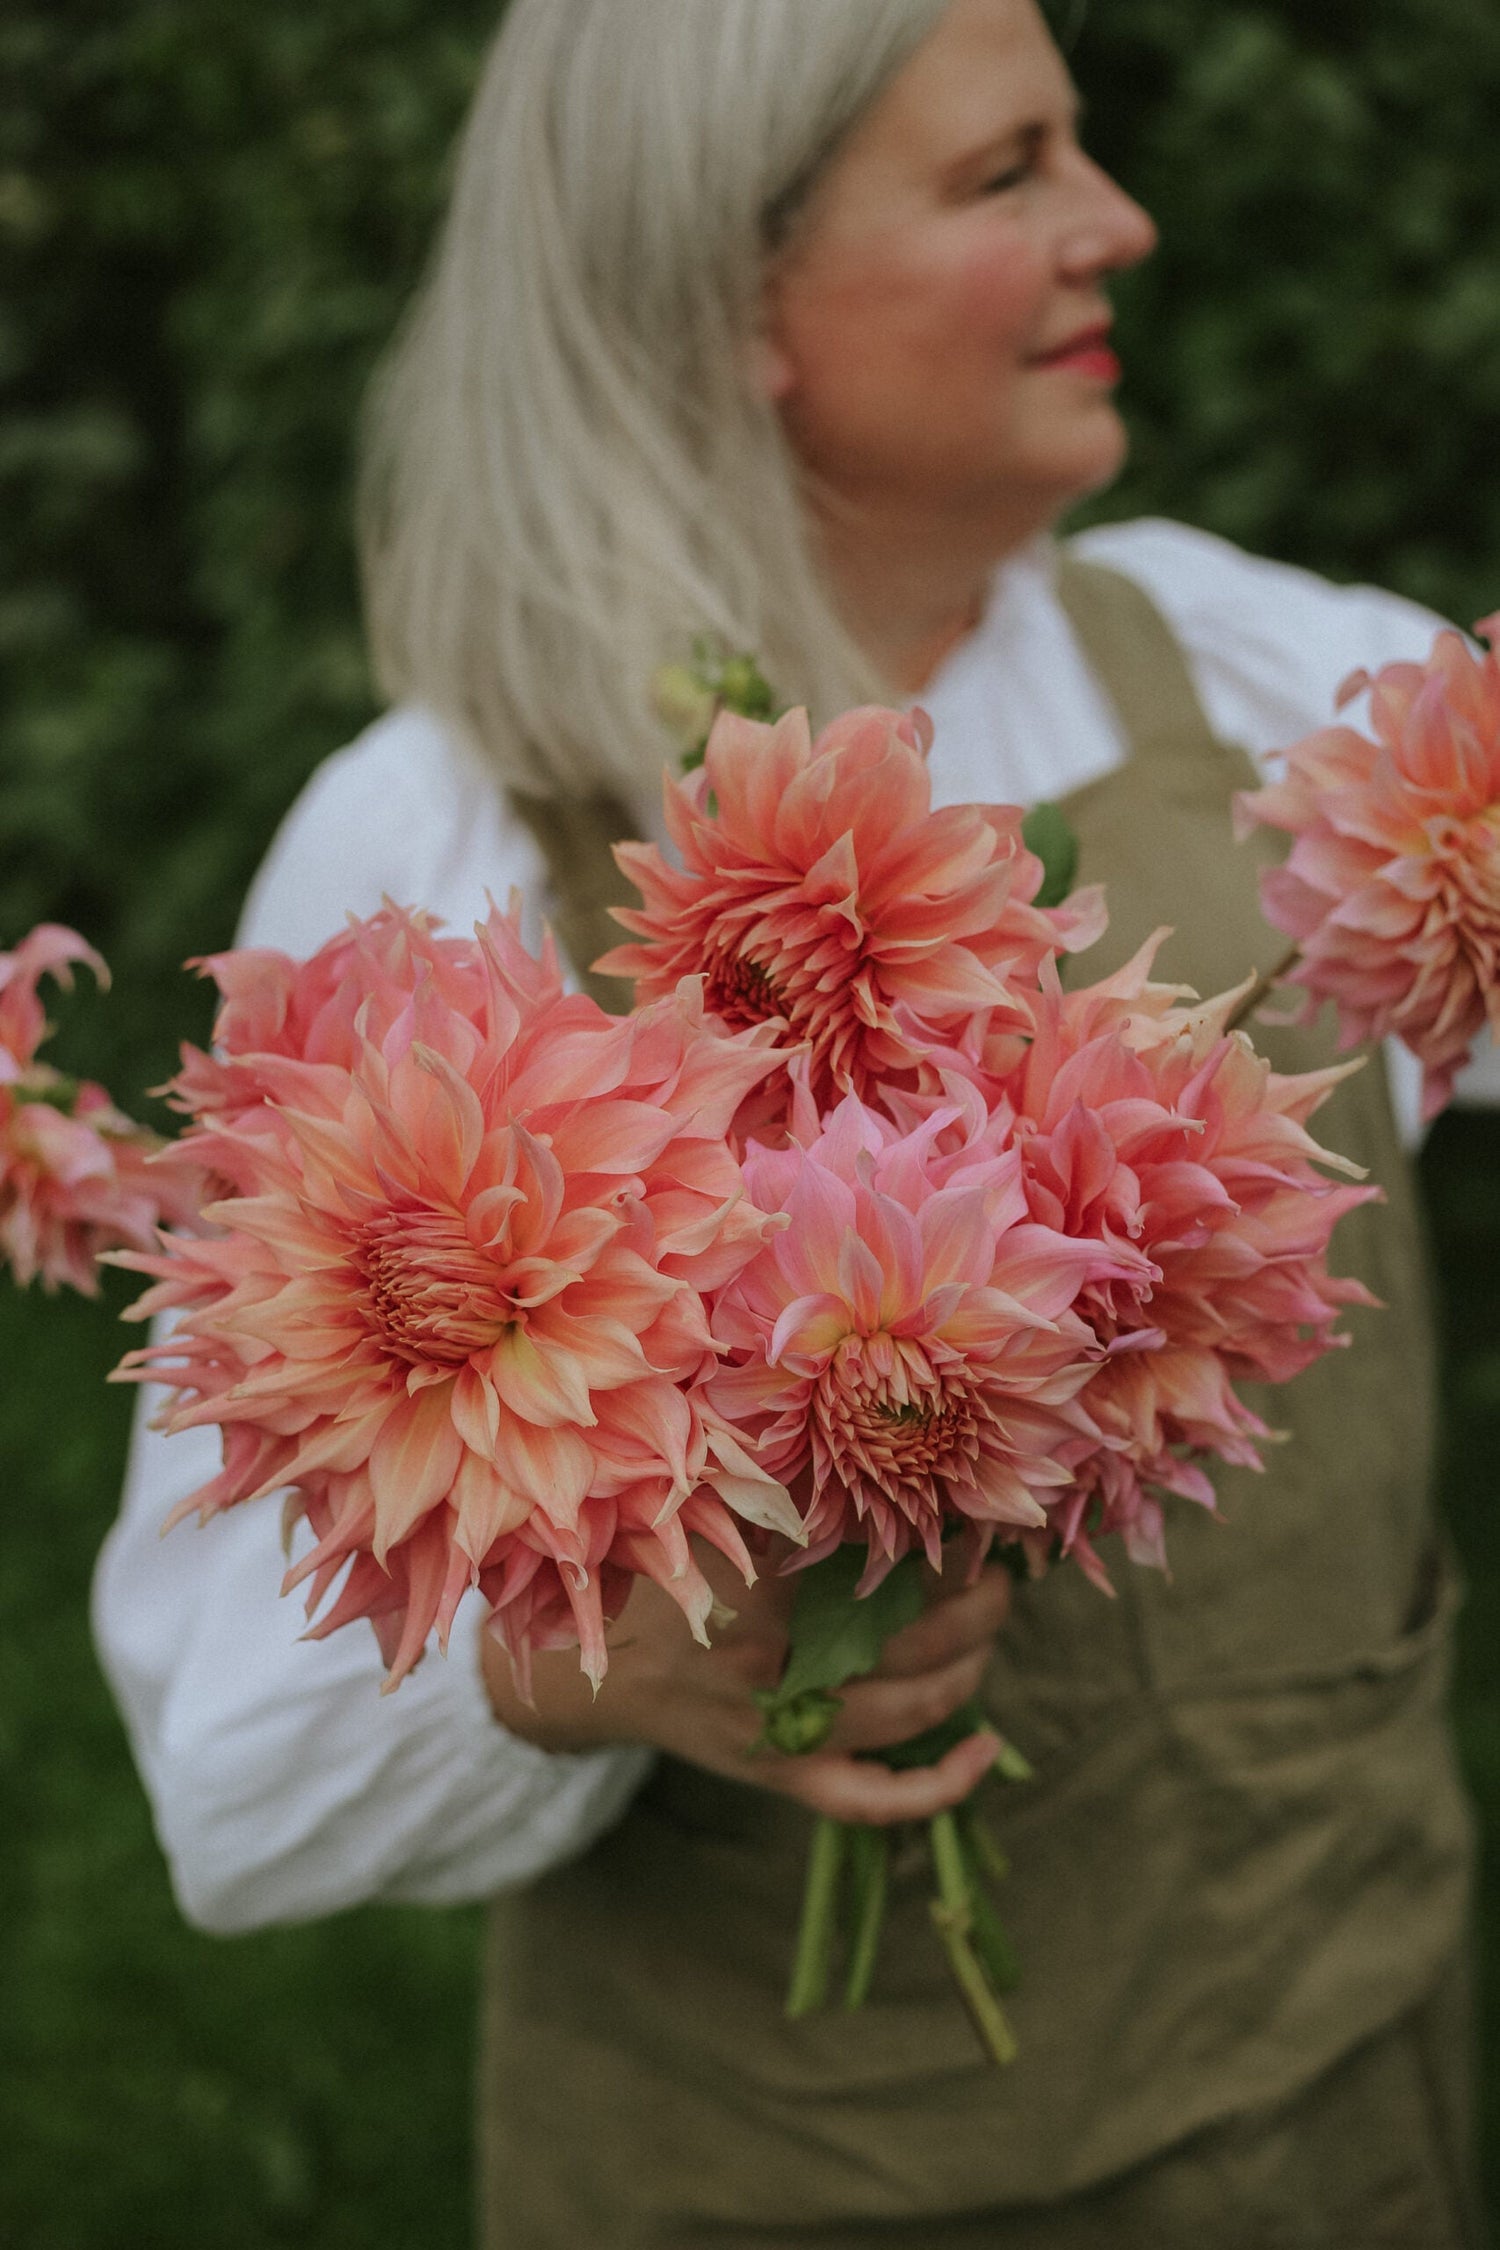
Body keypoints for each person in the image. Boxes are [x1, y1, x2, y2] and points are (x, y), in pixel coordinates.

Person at [94, 1, 1495, 2242]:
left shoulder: (1253, 676)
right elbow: (227, 1783)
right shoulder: (440, 854)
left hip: (1344, 2102)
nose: (1116, 220)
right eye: (1003, 173)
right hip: (800, 2186)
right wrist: (573, 1669)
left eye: (1083, 150)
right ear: (730, 302)